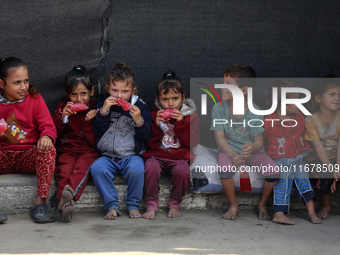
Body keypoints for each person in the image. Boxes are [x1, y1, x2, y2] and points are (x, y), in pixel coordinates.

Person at [210, 64, 279, 220]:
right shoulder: (218, 109)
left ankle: (263, 203)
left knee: (274, 172)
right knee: (225, 170)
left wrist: (252, 147)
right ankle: (233, 205)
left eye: (229, 84)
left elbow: (259, 140)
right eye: (222, 82)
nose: (223, 87)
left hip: (252, 152)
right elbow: (220, 138)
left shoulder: (255, 112)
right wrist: (233, 154)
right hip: (229, 149)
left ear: (243, 90)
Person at [90, 62, 152, 220]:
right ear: (107, 88)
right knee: (97, 169)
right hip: (107, 156)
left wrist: (139, 120)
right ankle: (111, 205)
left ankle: (133, 205)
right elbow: (97, 131)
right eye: (114, 90)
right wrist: (103, 112)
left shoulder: (140, 107)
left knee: (137, 170)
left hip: (131, 155)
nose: (119, 96)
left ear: (133, 91)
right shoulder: (102, 104)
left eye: (125, 91)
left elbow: (147, 137)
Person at [0, 57, 57, 223]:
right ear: (2, 84)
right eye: (17, 82)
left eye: (26, 81)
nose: (23, 86)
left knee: (49, 150)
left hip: (27, 156)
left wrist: (46, 136)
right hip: (2, 155)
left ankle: (40, 205)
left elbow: (49, 126)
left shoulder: (35, 99)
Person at [142, 70, 199, 219]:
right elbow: (150, 143)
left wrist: (181, 124)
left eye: (175, 98)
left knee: (183, 172)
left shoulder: (189, 116)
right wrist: (156, 126)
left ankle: (174, 203)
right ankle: (151, 204)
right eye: (165, 99)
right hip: (157, 155)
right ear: (158, 100)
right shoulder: (155, 114)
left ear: (183, 98)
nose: (170, 103)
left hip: (179, 156)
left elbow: (193, 142)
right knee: (150, 168)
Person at [263, 80, 321, 225]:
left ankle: (312, 213)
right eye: (297, 101)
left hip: (299, 159)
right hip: (280, 161)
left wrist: (308, 152)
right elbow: (261, 140)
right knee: (283, 185)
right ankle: (279, 213)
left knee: (304, 184)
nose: (301, 104)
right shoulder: (269, 121)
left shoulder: (299, 118)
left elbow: (304, 136)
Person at [52, 65, 99, 222]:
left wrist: (87, 122)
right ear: (67, 94)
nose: (79, 99)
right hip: (67, 150)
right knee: (64, 172)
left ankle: (70, 197)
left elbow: (95, 141)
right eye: (74, 95)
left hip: (88, 151)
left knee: (80, 170)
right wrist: (62, 118)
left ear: (91, 92)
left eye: (84, 94)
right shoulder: (63, 107)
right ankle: (64, 210)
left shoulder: (95, 109)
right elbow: (54, 134)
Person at [305, 77, 340, 219]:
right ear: (318, 98)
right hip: (317, 159)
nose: (337, 98)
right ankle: (326, 206)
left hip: (336, 157)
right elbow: (318, 149)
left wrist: (338, 167)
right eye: (332, 94)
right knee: (326, 175)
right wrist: (332, 170)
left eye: (339, 95)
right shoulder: (311, 120)